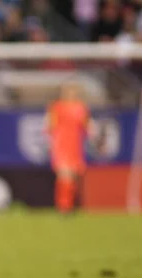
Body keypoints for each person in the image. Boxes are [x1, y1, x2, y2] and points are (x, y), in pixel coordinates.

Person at [46, 82, 96, 214]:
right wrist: (51, 143)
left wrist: (92, 133)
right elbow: (50, 125)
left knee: (73, 176)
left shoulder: (81, 108)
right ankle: (63, 206)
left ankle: (69, 204)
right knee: (64, 174)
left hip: (75, 144)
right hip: (61, 143)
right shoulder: (57, 107)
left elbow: (87, 125)